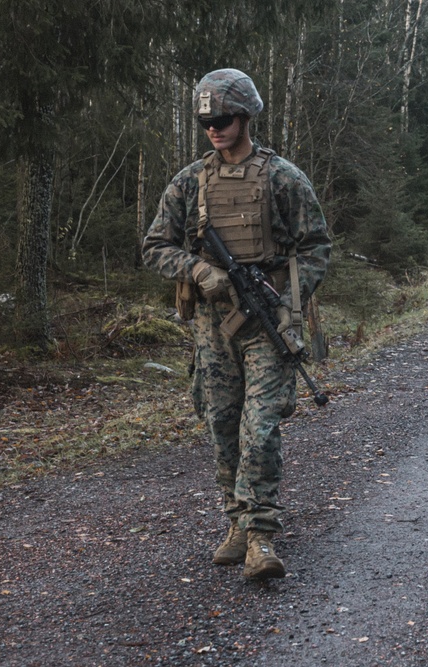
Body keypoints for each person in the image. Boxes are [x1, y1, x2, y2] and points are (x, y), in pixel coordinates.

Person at [142, 68, 331, 579]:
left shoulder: (283, 177)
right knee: (223, 424)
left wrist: (287, 298)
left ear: (245, 117)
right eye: (207, 121)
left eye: (223, 119)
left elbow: (316, 248)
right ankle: (238, 523)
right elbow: (155, 247)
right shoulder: (190, 182)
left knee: (260, 428)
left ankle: (262, 537)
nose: (215, 129)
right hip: (212, 325)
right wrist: (199, 269)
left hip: (269, 320)